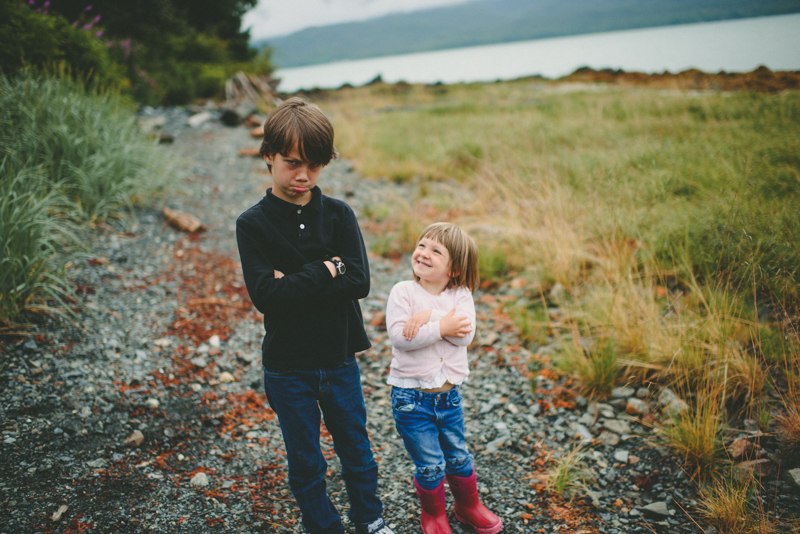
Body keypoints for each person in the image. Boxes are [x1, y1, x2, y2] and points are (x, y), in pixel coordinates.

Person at [236, 97, 393, 534]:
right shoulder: (253, 225)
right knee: (306, 460)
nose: (303, 175)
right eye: (291, 162)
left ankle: (370, 519)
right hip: (287, 367)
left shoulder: (339, 214)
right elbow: (267, 296)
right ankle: (324, 526)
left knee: (357, 449)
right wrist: (328, 267)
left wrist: (296, 282)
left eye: (315, 165)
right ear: (268, 155)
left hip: (341, 358)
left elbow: (359, 282)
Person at [386, 222, 502, 534]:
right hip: (411, 398)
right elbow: (401, 337)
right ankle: (434, 515)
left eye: (436, 251)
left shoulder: (461, 294)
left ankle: (467, 506)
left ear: (454, 269)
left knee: (459, 456)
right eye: (422, 245)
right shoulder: (403, 292)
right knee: (430, 464)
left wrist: (430, 318)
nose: (423, 253)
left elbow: (464, 336)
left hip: (448, 397)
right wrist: (442, 327)